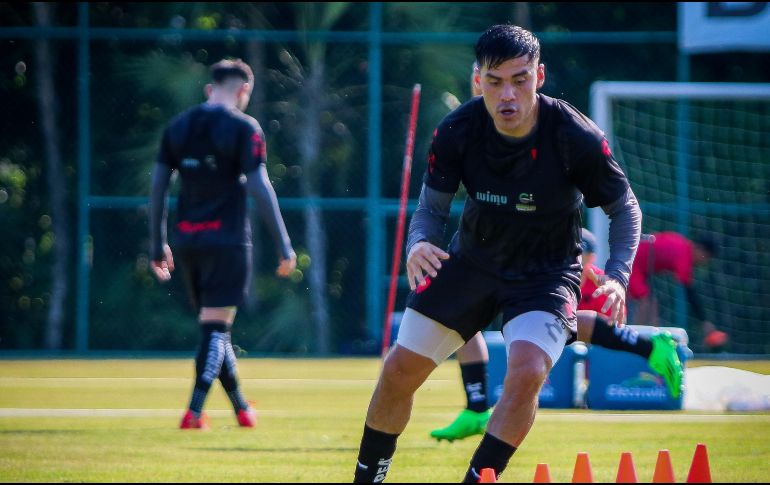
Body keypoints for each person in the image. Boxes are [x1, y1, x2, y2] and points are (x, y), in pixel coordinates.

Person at [353, 24, 642, 482]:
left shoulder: (575, 136)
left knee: (526, 370)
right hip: (471, 263)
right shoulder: (457, 130)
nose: (507, 94)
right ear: (476, 81)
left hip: (546, 274)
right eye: (494, 81)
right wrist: (419, 243)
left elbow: (624, 206)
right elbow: (431, 208)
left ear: (540, 76)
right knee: (398, 371)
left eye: (520, 79)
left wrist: (618, 276)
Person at [149, 58, 296, 430]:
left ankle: (242, 409)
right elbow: (261, 186)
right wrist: (284, 245)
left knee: (216, 327)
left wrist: (156, 243)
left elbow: (157, 187)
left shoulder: (178, 126)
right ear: (244, 90)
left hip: (187, 242)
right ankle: (194, 411)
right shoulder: (245, 128)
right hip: (228, 242)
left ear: (210, 89)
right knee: (214, 329)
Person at [429, 228, 683, 443]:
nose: (579, 261)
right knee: (464, 319)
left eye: (583, 256)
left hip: (532, 290)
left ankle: (650, 347)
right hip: (512, 273)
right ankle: (476, 409)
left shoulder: (595, 284)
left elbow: (600, 327)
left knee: (565, 324)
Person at [627, 231, 728, 349]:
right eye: (706, 257)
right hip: (632, 262)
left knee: (650, 305)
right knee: (647, 302)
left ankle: (648, 344)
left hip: (635, 260)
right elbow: (689, 292)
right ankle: (635, 344)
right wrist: (703, 321)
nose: (705, 262)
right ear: (700, 249)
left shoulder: (683, 245)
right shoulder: (684, 255)